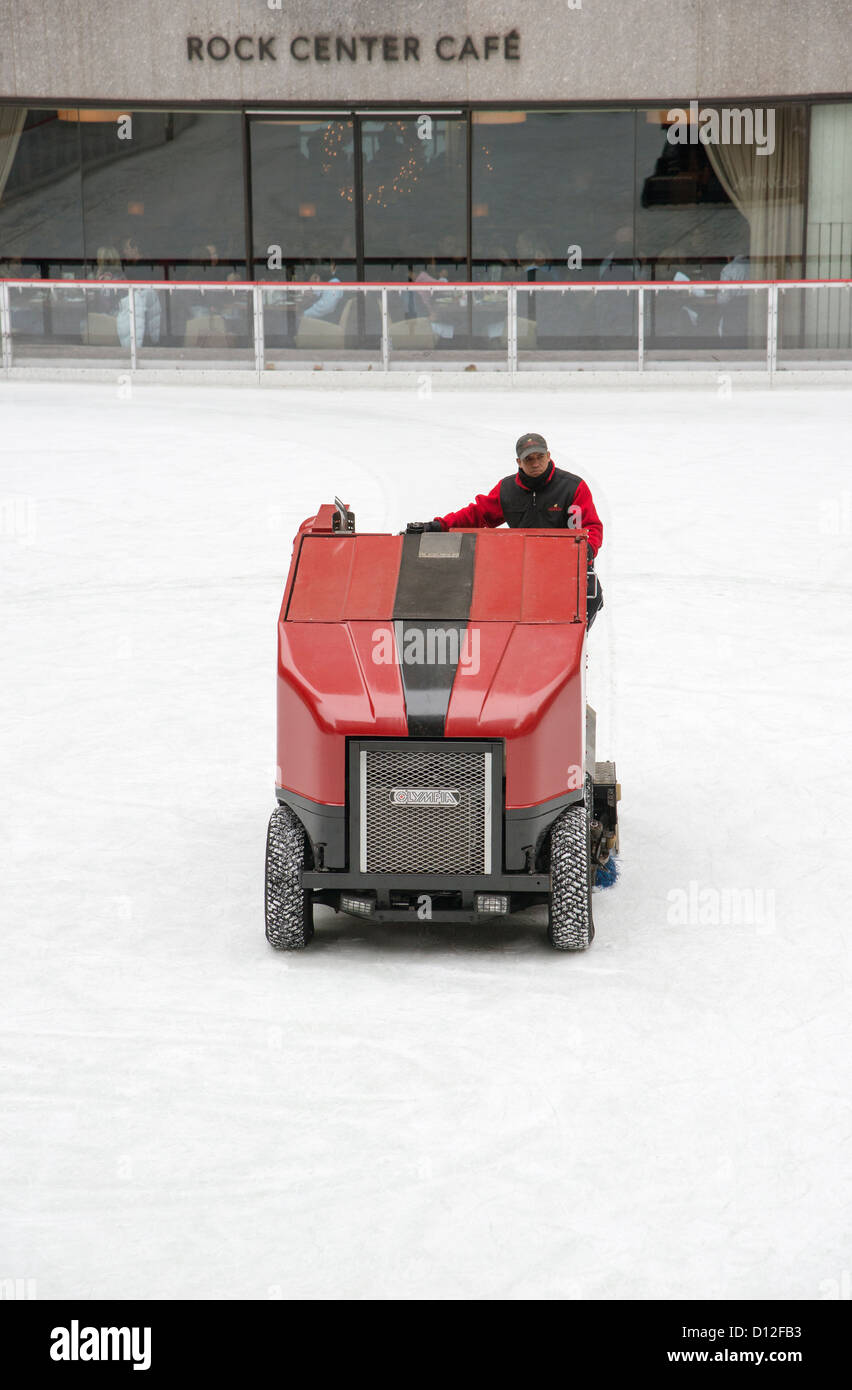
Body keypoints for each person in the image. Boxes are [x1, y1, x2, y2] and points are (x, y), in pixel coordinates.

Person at [406, 432, 604, 628]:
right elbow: (476, 514)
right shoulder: (507, 490)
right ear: (519, 462)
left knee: (591, 598)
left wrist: (586, 550)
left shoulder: (573, 487)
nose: (535, 463)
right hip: (524, 564)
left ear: (549, 456)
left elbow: (592, 527)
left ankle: (578, 641)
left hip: (565, 565)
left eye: (540, 457)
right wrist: (437, 526)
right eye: (529, 459)